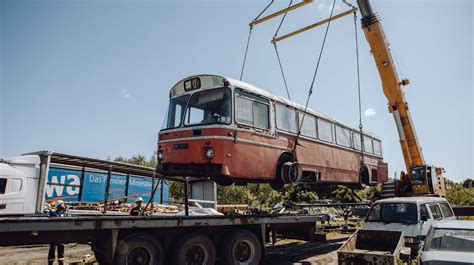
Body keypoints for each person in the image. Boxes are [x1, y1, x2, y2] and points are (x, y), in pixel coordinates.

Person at [48, 200, 69, 265]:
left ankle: (61, 261)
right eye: (63, 204)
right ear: (59, 206)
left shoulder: (65, 213)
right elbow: (55, 217)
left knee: (61, 247)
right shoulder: (54, 213)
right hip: (54, 234)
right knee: (52, 247)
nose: (64, 205)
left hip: (61, 234)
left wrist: (66, 211)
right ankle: (50, 261)